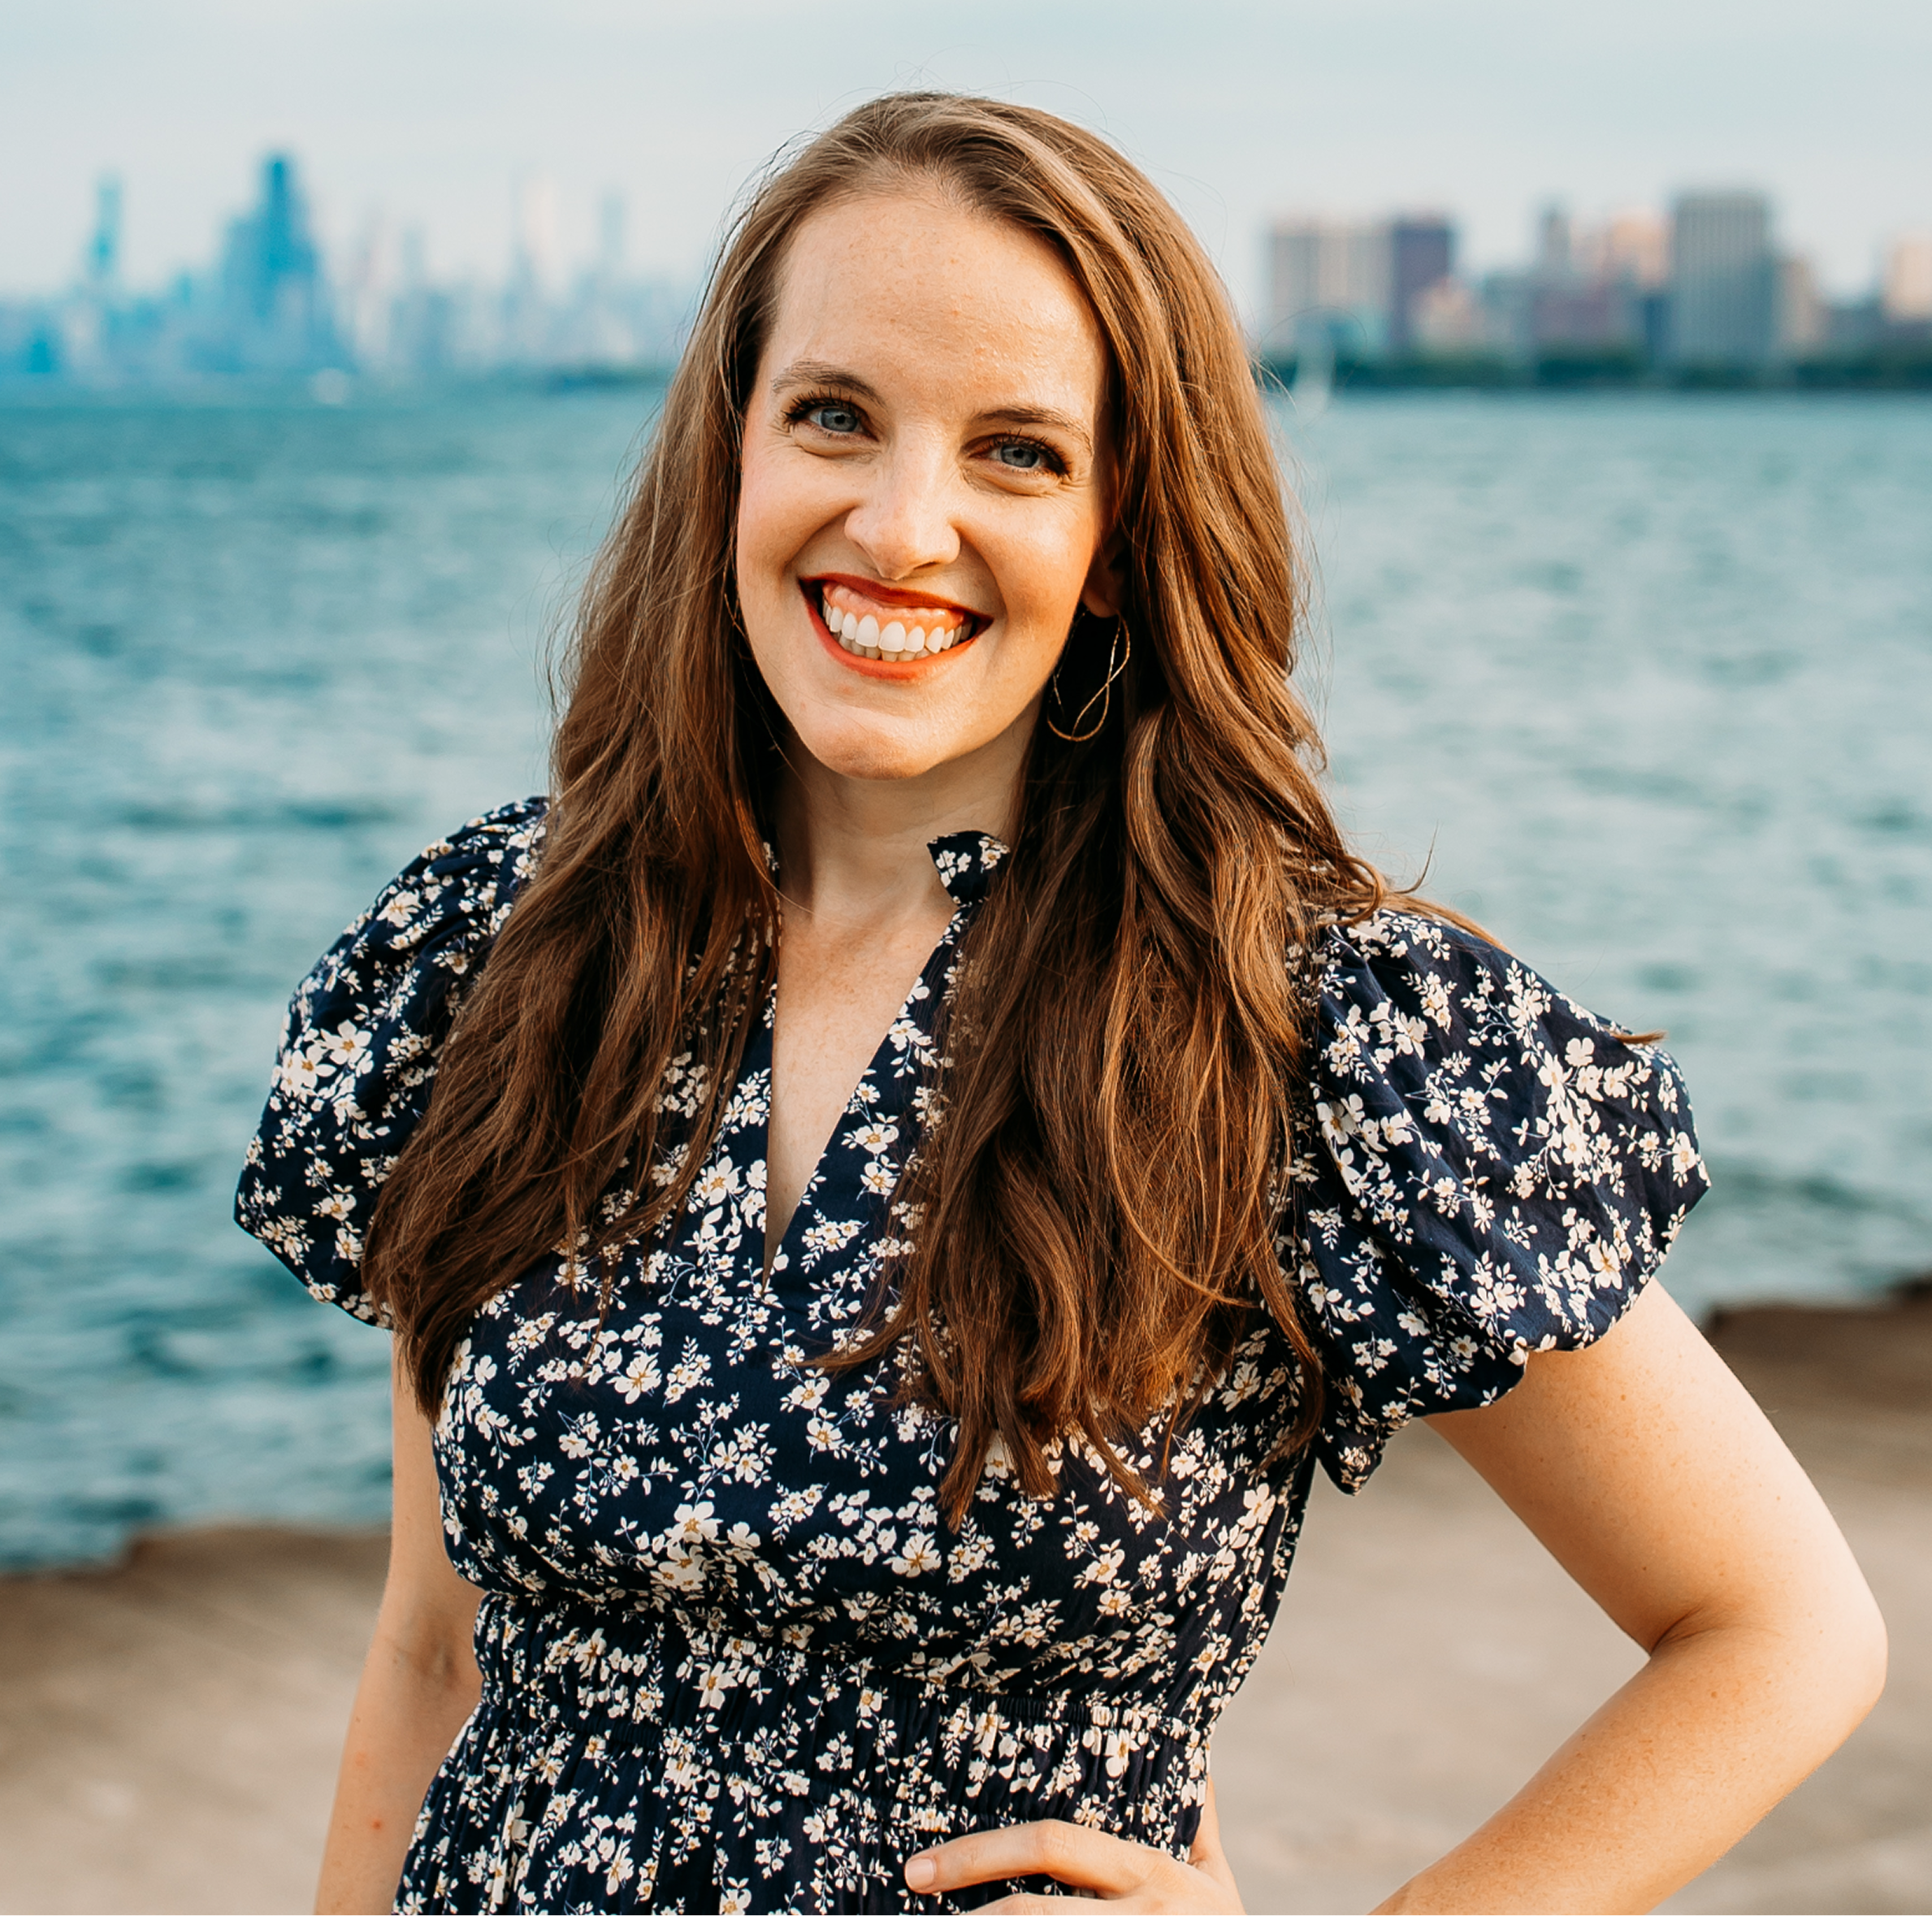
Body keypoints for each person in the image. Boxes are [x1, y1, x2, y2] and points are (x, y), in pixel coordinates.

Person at [236, 93, 1885, 1916]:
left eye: (1017, 452)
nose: (902, 521)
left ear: (1119, 530)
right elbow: (429, 1661)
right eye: (836, 415)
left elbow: (1777, 1631)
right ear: (730, 454)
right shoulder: (504, 958)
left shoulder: (1301, 1028)